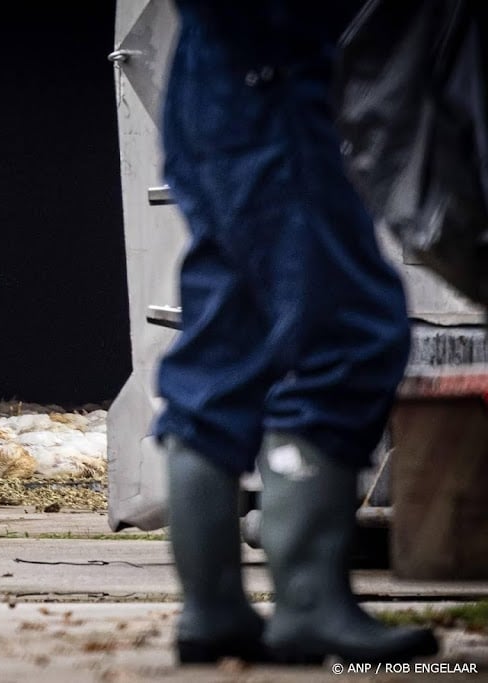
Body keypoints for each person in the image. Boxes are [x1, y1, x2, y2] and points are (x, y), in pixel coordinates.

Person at [155, 0, 439, 665]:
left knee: (230, 336)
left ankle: (212, 608)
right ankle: (310, 604)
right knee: (350, 330)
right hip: (270, 69)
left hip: (214, 70)